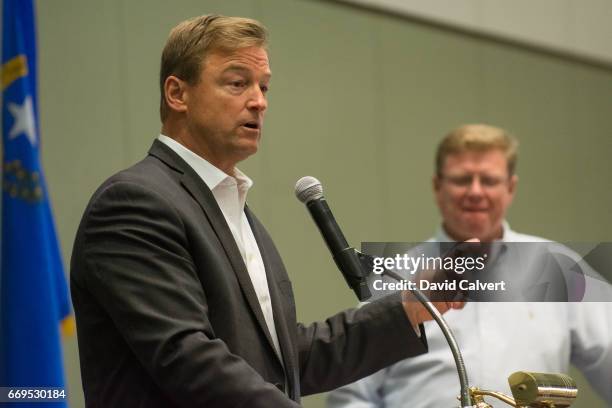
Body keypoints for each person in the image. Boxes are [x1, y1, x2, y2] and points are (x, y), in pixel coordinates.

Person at [70, 15, 462, 408]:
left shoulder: (233, 210)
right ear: (178, 93)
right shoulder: (135, 203)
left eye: (264, 86)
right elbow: (187, 358)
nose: (259, 101)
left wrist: (410, 306)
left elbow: (285, 363)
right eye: (237, 83)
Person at [327, 124, 612, 407]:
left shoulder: (559, 266)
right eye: (462, 179)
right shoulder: (396, 275)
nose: (475, 192)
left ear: (510, 188)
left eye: (488, 180)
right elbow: (351, 396)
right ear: (437, 187)